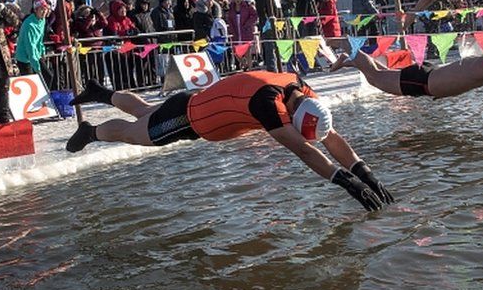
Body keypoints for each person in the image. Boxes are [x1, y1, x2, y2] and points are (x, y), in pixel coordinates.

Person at [66, 71, 393, 211]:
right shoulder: (267, 104)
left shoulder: (299, 88)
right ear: (293, 117)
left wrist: (365, 172)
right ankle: (91, 132)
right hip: (187, 120)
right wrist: (346, 182)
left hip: (190, 102)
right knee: (132, 134)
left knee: (144, 111)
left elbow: (329, 136)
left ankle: (101, 93)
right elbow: (303, 149)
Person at [329, 35, 483, 122]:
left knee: (377, 75)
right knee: (374, 78)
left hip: (429, 76)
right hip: (422, 82)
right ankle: (350, 47)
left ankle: (350, 57)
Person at [253, 0, 281, 72]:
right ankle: (272, 70)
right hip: (267, 25)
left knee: (277, 48)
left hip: (277, 24)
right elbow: (261, 10)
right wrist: (267, 22)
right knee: (270, 49)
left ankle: (277, 68)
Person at [15, 0, 50, 79]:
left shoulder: (42, 20)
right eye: (41, 9)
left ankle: (46, 91)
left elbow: (40, 39)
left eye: (45, 9)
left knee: (48, 76)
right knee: (32, 81)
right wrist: (36, 67)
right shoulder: (29, 25)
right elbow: (30, 46)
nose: (44, 11)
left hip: (36, 54)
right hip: (24, 57)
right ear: (35, 10)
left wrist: (42, 51)